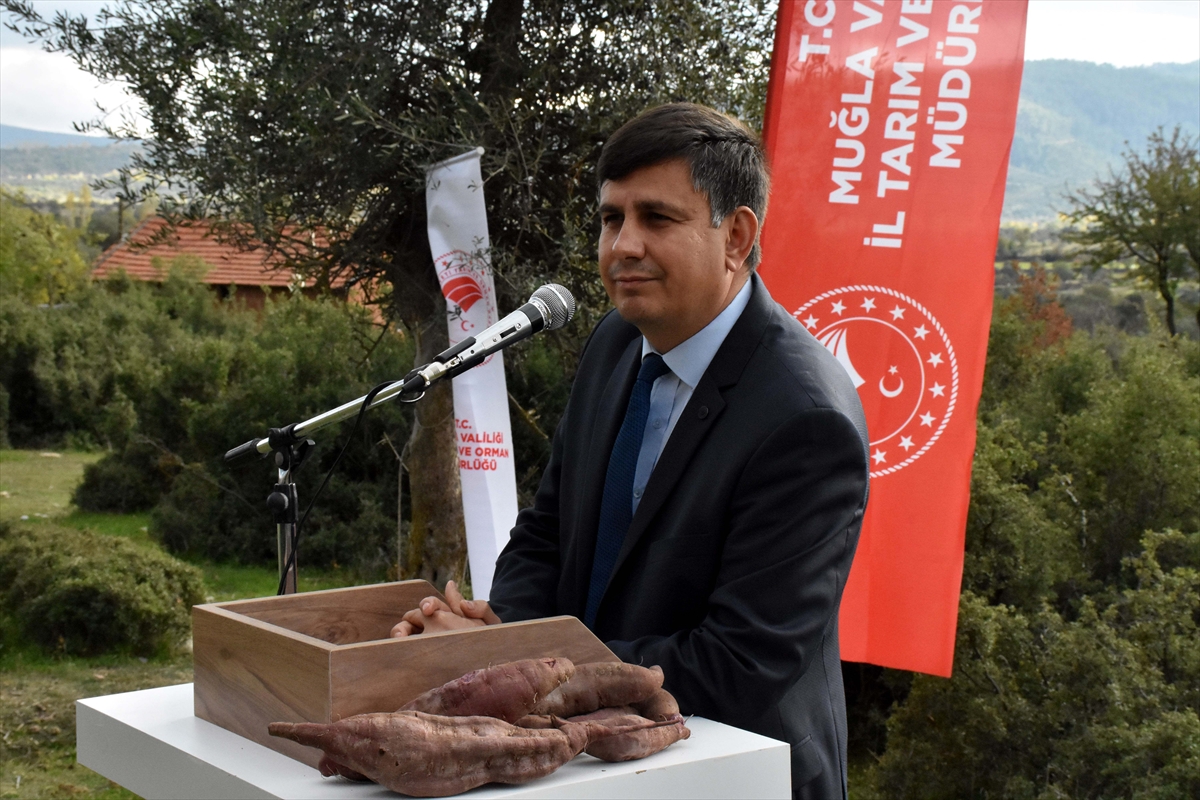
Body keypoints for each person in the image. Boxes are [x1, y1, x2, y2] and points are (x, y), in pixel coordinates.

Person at [392, 103, 870, 800]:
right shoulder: (616, 343)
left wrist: (520, 664)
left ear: (737, 237)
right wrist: (495, 641)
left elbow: (738, 662)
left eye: (657, 218)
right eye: (611, 218)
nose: (623, 246)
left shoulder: (805, 419)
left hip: (729, 773)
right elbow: (547, 533)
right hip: (592, 763)